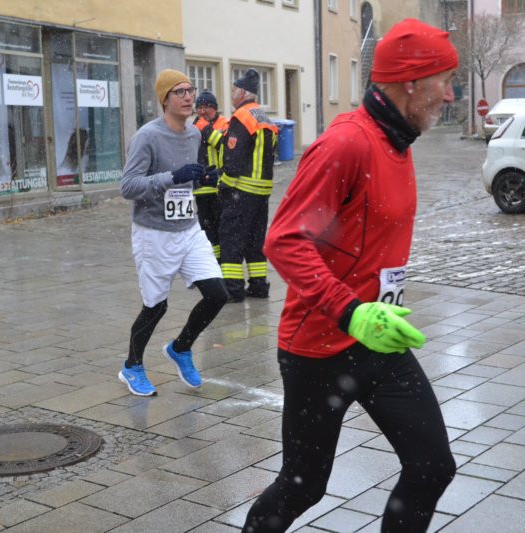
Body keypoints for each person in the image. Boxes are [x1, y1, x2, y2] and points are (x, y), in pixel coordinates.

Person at [242, 19, 458, 533]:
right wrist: (351, 311)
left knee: (432, 466)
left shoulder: (397, 141)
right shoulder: (347, 144)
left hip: (378, 339)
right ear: (411, 82)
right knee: (304, 485)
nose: (450, 95)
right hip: (319, 347)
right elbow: (284, 241)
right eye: (445, 81)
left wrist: (370, 312)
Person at [118, 69, 228, 396]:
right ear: (164, 99)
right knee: (156, 306)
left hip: (188, 228)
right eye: (179, 92)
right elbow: (128, 186)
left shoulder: (194, 134)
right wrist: (172, 176)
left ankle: (181, 347)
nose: (188, 97)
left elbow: (184, 183)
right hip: (153, 232)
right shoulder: (147, 137)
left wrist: (202, 178)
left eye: (190, 90)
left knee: (218, 294)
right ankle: (132, 366)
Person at [219, 68, 278, 302]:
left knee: (231, 240)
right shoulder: (266, 119)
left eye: (234, 90)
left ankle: (233, 289)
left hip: (241, 191)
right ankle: (258, 286)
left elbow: (234, 159)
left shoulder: (241, 117)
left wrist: (224, 186)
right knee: (255, 241)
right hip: (262, 192)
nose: (232, 94)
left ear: (243, 93)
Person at [192, 90, 229, 260]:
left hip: (219, 185)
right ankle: (213, 261)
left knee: (222, 227)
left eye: (206, 107)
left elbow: (224, 145)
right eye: (199, 107)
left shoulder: (225, 124)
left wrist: (205, 129)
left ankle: (223, 261)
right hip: (201, 187)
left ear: (215, 108)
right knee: (206, 229)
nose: (202, 111)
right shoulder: (194, 126)